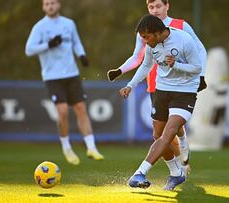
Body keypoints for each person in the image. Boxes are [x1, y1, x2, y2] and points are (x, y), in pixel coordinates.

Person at [108, 0, 207, 170]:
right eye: (151, 7)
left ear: (167, 6)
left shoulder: (180, 26)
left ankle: (183, 148)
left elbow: (200, 49)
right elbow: (139, 58)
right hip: (156, 83)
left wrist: (202, 75)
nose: (154, 10)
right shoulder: (145, 29)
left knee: (173, 125)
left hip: (181, 82)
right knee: (162, 131)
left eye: (158, 6)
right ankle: (178, 166)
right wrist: (120, 71)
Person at [119, 15, 202, 190]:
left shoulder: (184, 40)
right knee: (158, 136)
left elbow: (197, 68)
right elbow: (146, 66)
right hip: (162, 90)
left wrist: (176, 66)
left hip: (185, 92)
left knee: (169, 133)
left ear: (158, 33)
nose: (145, 41)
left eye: (146, 37)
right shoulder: (151, 44)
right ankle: (176, 174)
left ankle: (139, 173)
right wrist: (130, 85)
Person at [25, 0, 104, 165]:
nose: (50, 6)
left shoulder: (69, 23)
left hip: (72, 73)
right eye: (46, 4)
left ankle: (91, 147)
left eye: (52, 3)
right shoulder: (39, 27)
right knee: (62, 111)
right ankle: (66, 147)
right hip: (52, 76)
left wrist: (82, 55)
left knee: (81, 108)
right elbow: (29, 49)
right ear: (43, 7)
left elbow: (76, 42)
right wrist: (48, 44)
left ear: (58, 4)